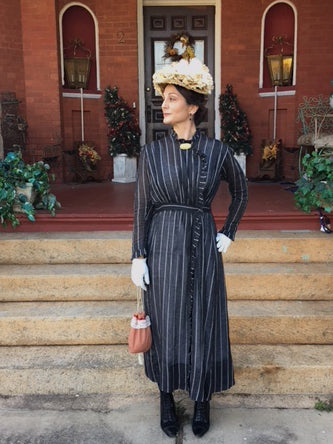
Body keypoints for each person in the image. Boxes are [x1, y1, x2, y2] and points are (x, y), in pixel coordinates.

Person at [131, 33, 248, 438]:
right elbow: (142, 207)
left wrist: (228, 232)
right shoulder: (151, 154)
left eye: (171, 99)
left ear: (193, 106)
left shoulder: (216, 152)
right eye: (162, 99)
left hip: (202, 241)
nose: (162, 105)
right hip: (162, 245)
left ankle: (201, 401)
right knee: (164, 320)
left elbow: (241, 190)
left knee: (203, 320)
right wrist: (137, 255)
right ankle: (165, 396)